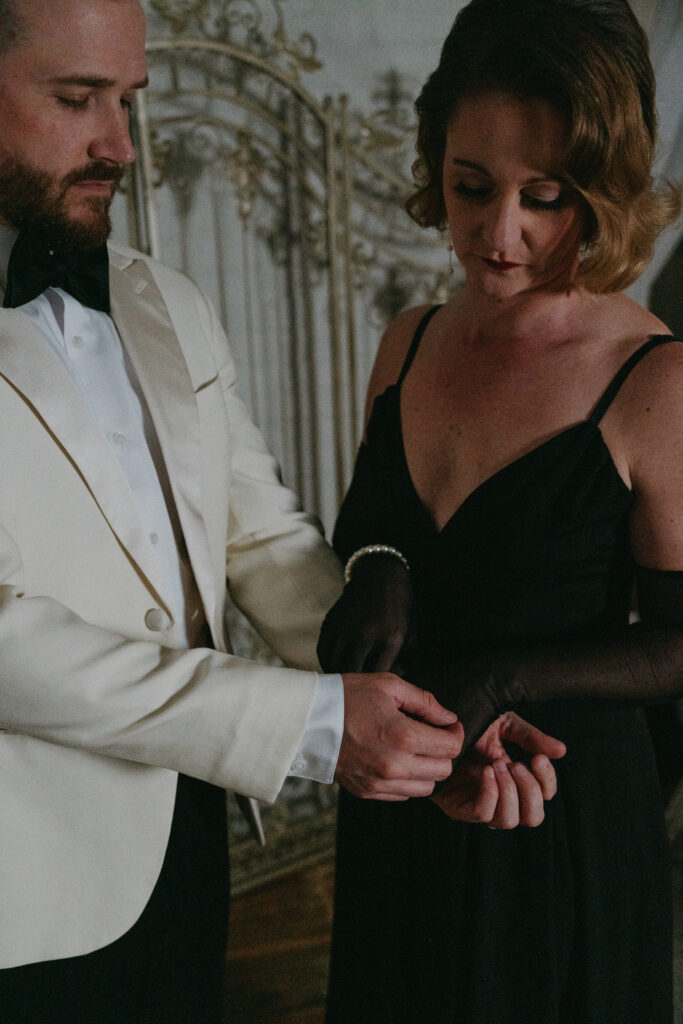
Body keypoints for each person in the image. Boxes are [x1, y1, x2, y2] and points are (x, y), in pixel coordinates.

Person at [0, 0, 536, 1020]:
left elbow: (265, 540)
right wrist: (314, 724)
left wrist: (437, 719)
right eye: (75, 99)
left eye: (128, 99)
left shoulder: (164, 298)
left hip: (181, 848)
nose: (119, 143)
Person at [318, 1, 683, 1021]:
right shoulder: (408, 340)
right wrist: (378, 557)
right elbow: (374, 521)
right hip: (401, 800)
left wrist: (503, 677)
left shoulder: (652, 380)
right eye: (468, 186)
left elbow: (676, 642)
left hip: (551, 817)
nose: (497, 232)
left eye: (545, 196)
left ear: (602, 193)